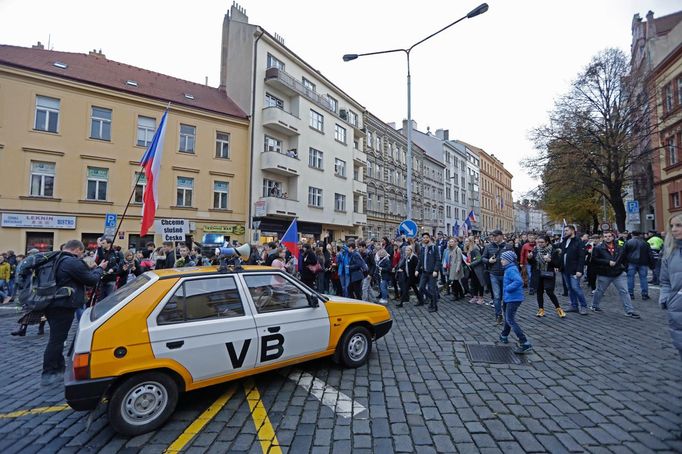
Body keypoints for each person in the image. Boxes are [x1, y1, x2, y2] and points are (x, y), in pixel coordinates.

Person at [42, 240, 108, 385]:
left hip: (51, 303)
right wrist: (100, 268)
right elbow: (91, 280)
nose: (81, 255)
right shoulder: (71, 262)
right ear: (77, 249)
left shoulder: (56, 258)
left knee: (57, 337)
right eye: (81, 252)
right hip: (63, 305)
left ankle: (59, 368)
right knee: (57, 340)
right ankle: (49, 372)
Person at [590, 231, 640, 318]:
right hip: (605, 273)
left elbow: (625, 257)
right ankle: (594, 305)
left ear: (613, 237)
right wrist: (607, 262)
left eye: (609, 236)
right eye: (605, 236)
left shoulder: (620, 246)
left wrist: (624, 267)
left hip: (618, 272)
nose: (608, 238)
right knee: (600, 291)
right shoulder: (598, 248)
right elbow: (594, 260)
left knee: (624, 291)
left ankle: (629, 310)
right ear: (603, 238)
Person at [498, 251, 533, 354]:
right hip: (508, 298)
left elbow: (519, 281)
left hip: (513, 298)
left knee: (510, 319)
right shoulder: (509, 268)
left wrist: (508, 288)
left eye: (503, 259)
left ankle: (524, 342)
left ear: (508, 260)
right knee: (507, 318)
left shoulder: (511, 269)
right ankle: (504, 335)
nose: (501, 261)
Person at [659, 214, 682, 360]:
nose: (674, 229)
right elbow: (665, 281)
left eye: (679, 225)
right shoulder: (670, 252)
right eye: (672, 226)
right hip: (676, 305)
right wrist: (665, 297)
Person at [528, 235, 565, 318]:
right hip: (537, 273)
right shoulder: (535, 250)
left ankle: (558, 308)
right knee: (539, 291)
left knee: (549, 291)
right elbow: (532, 263)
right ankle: (541, 309)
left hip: (548, 273)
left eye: (542, 242)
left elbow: (558, 264)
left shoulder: (553, 251)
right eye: (538, 242)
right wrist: (529, 258)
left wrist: (550, 261)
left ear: (547, 242)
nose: (540, 244)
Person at [482, 229, 512, 324]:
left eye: (495, 236)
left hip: (506, 274)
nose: (493, 238)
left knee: (506, 296)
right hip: (493, 274)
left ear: (501, 236)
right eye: (492, 236)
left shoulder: (508, 247)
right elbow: (482, 258)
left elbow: (514, 259)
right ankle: (498, 315)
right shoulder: (488, 247)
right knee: (497, 296)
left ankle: (507, 315)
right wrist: (488, 261)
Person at [559, 225, 588, 314]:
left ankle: (583, 306)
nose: (565, 232)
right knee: (570, 288)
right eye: (564, 230)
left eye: (567, 230)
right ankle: (574, 305)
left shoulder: (578, 241)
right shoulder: (564, 241)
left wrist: (579, 270)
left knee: (576, 287)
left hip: (575, 270)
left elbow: (581, 257)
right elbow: (562, 253)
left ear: (572, 231)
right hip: (565, 269)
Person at [416, 232, 440, 312]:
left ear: (429, 238)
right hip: (424, 272)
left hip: (432, 272)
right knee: (421, 288)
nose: (425, 239)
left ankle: (434, 306)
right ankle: (432, 300)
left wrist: (436, 270)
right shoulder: (422, 247)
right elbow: (420, 260)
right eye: (424, 238)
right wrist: (416, 269)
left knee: (432, 289)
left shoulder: (434, 247)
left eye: (426, 237)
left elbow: (438, 260)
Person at [624, 231, 652, 301]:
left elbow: (624, 253)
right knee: (643, 278)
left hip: (631, 262)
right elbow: (650, 254)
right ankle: (645, 294)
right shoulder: (645, 243)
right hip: (643, 263)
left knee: (630, 278)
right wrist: (652, 264)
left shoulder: (628, 242)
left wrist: (624, 263)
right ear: (639, 235)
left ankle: (630, 294)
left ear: (632, 235)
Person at [464, 237, 486, 305]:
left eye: (467, 241)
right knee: (473, 283)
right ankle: (475, 296)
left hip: (478, 269)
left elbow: (479, 258)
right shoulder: (468, 249)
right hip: (472, 269)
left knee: (479, 283)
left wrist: (471, 263)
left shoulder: (475, 249)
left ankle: (481, 298)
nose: (466, 243)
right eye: (465, 241)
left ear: (471, 242)